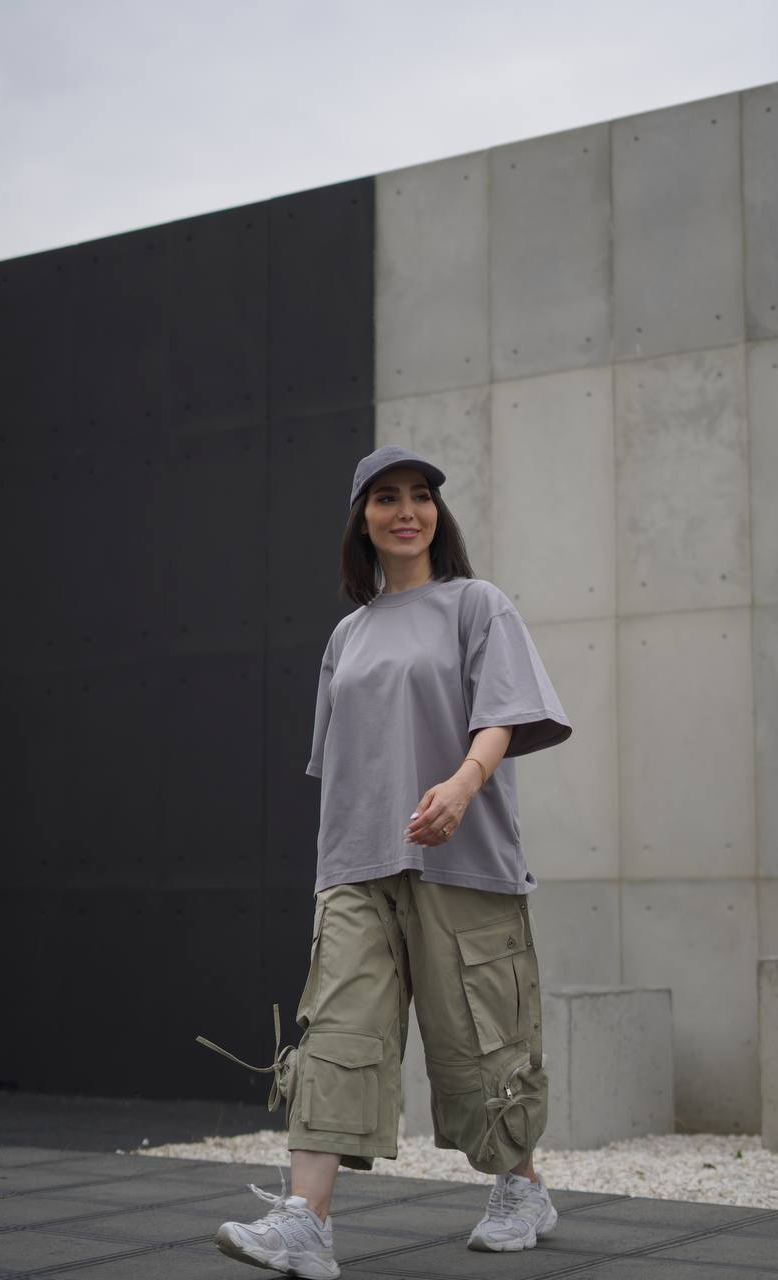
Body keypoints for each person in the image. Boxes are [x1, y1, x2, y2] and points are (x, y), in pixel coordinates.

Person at [198, 444, 573, 1278]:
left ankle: (521, 1187)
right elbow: (343, 762)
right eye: (386, 498)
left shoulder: (477, 605)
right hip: (356, 868)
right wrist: (337, 866)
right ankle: (307, 1224)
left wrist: (463, 784)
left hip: (462, 859)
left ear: (438, 513)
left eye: (420, 496)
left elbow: (505, 714)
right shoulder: (348, 635)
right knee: (337, 1037)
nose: (407, 511)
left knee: (481, 1040)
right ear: (361, 521)